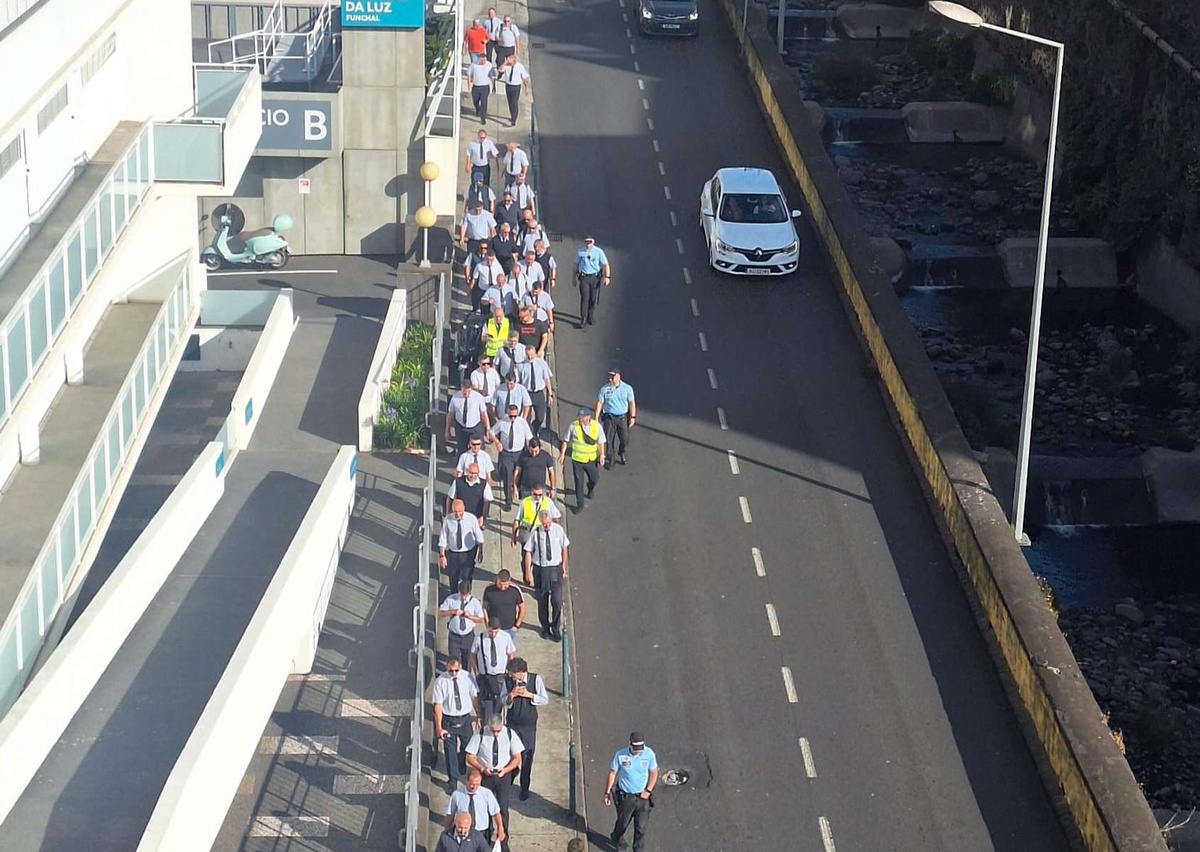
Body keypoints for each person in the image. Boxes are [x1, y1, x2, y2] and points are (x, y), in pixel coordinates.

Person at [465, 715, 524, 852]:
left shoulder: (509, 734)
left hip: (503, 776)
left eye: (498, 730)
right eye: (493, 731)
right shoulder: (480, 734)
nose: (496, 733)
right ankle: (485, 839)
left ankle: (503, 841)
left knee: (503, 808)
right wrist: (482, 768)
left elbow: (517, 757)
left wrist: (506, 769)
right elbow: (469, 756)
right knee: (485, 809)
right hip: (486, 776)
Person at [603, 732, 659, 852]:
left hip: (643, 797)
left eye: (640, 749)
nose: (638, 751)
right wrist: (607, 792)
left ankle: (638, 849)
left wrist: (648, 790)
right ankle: (617, 838)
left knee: (641, 828)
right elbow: (613, 773)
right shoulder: (620, 755)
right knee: (622, 824)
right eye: (635, 748)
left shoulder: (649, 754)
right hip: (625, 797)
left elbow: (654, 772)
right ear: (629, 744)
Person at [432, 658, 481, 792]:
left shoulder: (466, 677)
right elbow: (438, 705)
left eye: (456, 670)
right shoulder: (441, 682)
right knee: (450, 753)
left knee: (468, 748)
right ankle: (452, 781)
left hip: (464, 720)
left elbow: (474, 697)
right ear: (446, 668)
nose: (453, 673)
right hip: (449, 720)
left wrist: (478, 715)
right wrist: (439, 727)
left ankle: (462, 762)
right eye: (450, 671)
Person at [504, 657, 548, 800]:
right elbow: (503, 701)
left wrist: (529, 695)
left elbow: (544, 699)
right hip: (512, 723)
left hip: (528, 725)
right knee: (510, 753)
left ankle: (524, 787)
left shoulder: (535, 679)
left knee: (527, 757)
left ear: (521, 672)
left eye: (512, 673)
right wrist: (511, 695)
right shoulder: (507, 681)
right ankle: (510, 774)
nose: (510, 676)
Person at [522, 510, 569, 640]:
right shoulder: (536, 533)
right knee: (542, 601)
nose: (547, 526)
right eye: (544, 524)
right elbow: (528, 552)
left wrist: (563, 565)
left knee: (557, 601)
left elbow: (564, 548)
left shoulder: (558, 530)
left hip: (555, 568)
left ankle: (555, 628)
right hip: (540, 569)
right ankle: (545, 628)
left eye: (548, 523)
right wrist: (528, 571)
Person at [471, 617, 516, 721]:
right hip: (485, 676)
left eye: (495, 632)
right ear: (487, 627)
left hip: (500, 676)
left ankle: (497, 724)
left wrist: (509, 672)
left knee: (499, 703)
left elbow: (510, 655)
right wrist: (476, 672)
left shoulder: (505, 637)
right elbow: (473, 655)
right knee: (486, 705)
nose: (493, 634)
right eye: (491, 631)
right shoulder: (480, 637)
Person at [559, 408, 605, 511]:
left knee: (594, 479)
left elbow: (601, 442)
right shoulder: (573, 426)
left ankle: (590, 487)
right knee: (578, 483)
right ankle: (580, 504)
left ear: (589, 417)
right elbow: (565, 440)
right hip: (577, 461)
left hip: (591, 460)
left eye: (582, 417)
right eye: (579, 417)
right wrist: (562, 454)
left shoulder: (596, 426)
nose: (580, 419)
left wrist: (602, 456)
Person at [490, 403, 534, 510]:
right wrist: (497, 442)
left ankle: (517, 491)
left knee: (519, 475)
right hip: (506, 454)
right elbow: (491, 432)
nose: (513, 418)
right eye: (511, 416)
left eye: (515, 416)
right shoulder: (502, 422)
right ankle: (508, 500)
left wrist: (530, 451)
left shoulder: (522, 423)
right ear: (507, 413)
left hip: (519, 453)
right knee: (508, 475)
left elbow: (529, 438)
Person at [445, 770, 504, 845]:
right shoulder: (457, 795)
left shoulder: (486, 794)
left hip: (482, 832)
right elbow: (450, 814)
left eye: (477, 784)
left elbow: (496, 813)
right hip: (464, 832)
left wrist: (500, 827)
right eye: (472, 784)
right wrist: (447, 830)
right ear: (467, 781)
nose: (474, 787)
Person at [438, 499, 484, 592]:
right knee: (453, 576)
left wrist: (480, 551)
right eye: (455, 512)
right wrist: (442, 555)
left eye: (460, 511)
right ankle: (454, 594)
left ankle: (466, 594)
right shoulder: (448, 520)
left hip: (468, 552)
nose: (458, 514)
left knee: (467, 576)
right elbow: (443, 537)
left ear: (464, 509)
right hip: (453, 553)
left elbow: (478, 536)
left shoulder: (471, 519)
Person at [439, 580, 485, 669]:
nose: (463, 597)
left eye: (465, 594)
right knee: (454, 661)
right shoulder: (451, 599)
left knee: (467, 662)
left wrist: (470, 616)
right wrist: (453, 612)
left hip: (468, 637)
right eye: (461, 594)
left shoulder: (475, 602)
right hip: (454, 637)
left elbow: (481, 620)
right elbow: (440, 613)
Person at [595, 369, 636, 468]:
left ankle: (621, 451)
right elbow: (600, 403)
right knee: (608, 440)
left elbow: (632, 403)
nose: (610, 379)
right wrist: (596, 418)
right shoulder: (605, 389)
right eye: (609, 377)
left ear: (618, 377)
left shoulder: (627, 389)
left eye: (612, 377)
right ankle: (611, 458)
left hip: (622, 417)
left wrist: (632, 417)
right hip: (609, 417)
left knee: (625, 439)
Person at [515, 345, 553, 436]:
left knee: (540, 417)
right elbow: (518, 382)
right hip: (526, 393)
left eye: (532, 355)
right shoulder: (520, 366)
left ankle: (535, 428)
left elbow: (547, 379)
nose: (530, 357)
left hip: (538, 393)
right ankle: (530, 435)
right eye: (528, 355)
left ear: (535, 353)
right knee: (526, 417)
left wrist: (550, 394)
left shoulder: (542, 364)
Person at [446, 379, 490, 455]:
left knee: (479, 450)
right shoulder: (455, 397)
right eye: (464, 391)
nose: (466, 393)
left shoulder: (478, 397)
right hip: (461, 428)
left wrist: (487, 428)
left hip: (475, 427)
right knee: (461, 451)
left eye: (468, 391)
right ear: (461, 388)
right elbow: (451, 414)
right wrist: (447, 429)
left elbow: (484, 413)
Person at [573, 236, 610, 327]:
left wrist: (607, 277)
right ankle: (583, 318)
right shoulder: (580, 252)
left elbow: (605, 264)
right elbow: (575, 265)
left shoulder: (598, 252)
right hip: (584, 277)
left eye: (590, 242)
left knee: (593, 299)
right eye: (586, 242)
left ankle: (590, 315)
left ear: (593, 242)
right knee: (585, 298)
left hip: (595, 277)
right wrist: (573, 277)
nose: (588, 244)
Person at [510, 482, 559, 549]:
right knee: (525, 557)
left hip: (542, 535)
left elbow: (556, 518)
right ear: (531, 492)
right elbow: (516, 521)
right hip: (527, 535)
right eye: (535, 494)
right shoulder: (525, 502)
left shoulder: (548, 502)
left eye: (540, 495)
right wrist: (513, 538)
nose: (537, 497)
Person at [483, 569, 525, 642]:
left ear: (509, 581)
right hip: (493, 628)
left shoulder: (515, 590)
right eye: (500, 584)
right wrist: (487, 624)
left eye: (505, 585)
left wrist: (516, 626)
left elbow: (522, 608)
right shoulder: (489, 589)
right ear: (497, 579)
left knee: (507, 651)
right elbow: (484, 608)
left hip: (509, 628)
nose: (502, 587)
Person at [498, 53, 530, 127]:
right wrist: (505, 62)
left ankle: (513, 119)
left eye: (511, 60)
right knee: (510, 102)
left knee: (514, 102)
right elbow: (500, 70)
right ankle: (512, 114)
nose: (510, 62)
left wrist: (526, 88)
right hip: (508, 86)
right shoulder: (506, 65)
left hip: (516, 87)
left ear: (514, 60)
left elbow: (524, 78)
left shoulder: (520, 66)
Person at [466, 53, 497, 124]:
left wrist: (493, 86)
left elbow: (493, 76)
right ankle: (477, 109)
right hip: (476, 87)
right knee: (475, 101)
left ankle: (483, 117)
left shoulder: (489, 65)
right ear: (478, 59)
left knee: (484, 102)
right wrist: (468, 85)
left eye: (484, 60)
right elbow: (469, 74)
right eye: (481, 60)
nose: (483, 62)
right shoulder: (474, 65)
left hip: (485, 87)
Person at [470, 247, 503, 313]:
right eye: (488, 259)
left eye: (492, 260)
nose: (489, 262)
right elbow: (474, 278)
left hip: (493, 289)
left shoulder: (498, 266)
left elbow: (502, 276)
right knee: (483, 308)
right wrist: (471, 288)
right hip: (483, 289)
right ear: (485, 257)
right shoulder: (479, 265)